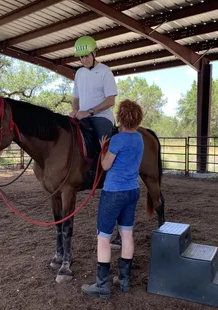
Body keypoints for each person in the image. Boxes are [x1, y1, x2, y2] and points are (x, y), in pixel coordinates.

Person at [81, 99, 144, 298]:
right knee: (126, 235)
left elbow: (106, 166)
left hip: (114, 192)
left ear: (121, 117)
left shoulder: (117, 140)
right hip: (132, 191)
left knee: (103, 237)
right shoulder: (140, 138)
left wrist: (102, 151)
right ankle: (124, 280)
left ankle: (102, 285)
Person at [70, 35, 118, 140]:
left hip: (102, 117)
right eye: (81, 57)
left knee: (103, 145)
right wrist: (74, 110)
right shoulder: (79, 73)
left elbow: (110, 101)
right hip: (81, 117)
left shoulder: (105, 71)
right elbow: (76, 98)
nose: (84, 60)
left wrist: (89, 112)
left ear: (94, 53)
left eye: (86, 56)